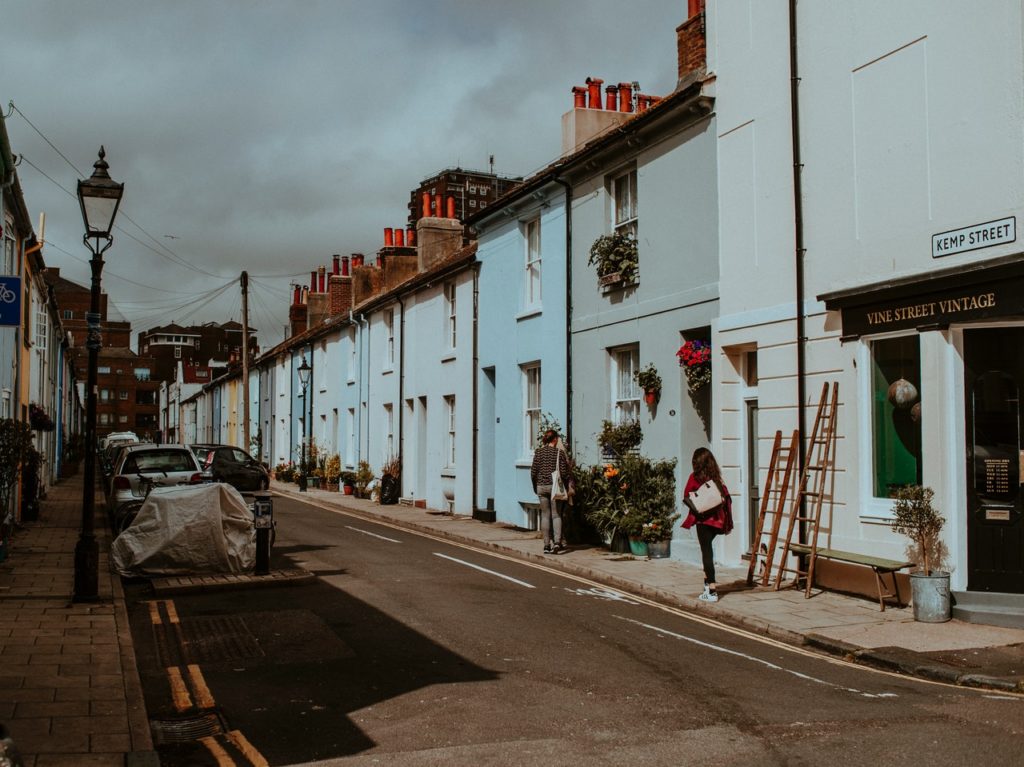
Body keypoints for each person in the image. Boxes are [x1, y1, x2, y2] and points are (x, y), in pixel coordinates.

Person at [681, 447, 732, 602]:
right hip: (717, 520)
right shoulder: (716, 478)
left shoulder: (695, 477)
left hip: (703, 520)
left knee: (707, 553)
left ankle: (712, 590)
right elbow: (725, 496)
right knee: (708, 552)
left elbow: (686, 496)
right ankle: (706, 584)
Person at [530, 429, 574, 554]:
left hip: (541, 486)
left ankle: (546, 545)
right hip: (554, 487)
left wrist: (535, 486)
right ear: (554, 439)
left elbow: (533, 472)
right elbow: (565, 473)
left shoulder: (538, 452)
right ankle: (556, 543)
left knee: (545, 515)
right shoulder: (559, 453)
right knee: (556, 515)